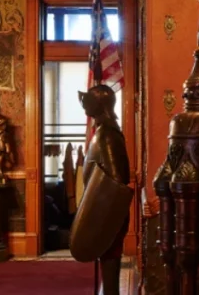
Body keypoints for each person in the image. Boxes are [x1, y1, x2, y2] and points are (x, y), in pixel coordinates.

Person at [70, 85, 132, 295]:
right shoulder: (104, 131)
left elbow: (117, 179)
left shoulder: (108, 134)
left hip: (108, 214)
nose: (84, 104)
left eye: (88, 100)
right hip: (104, 212)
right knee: (107, 259)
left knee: (110, 260)